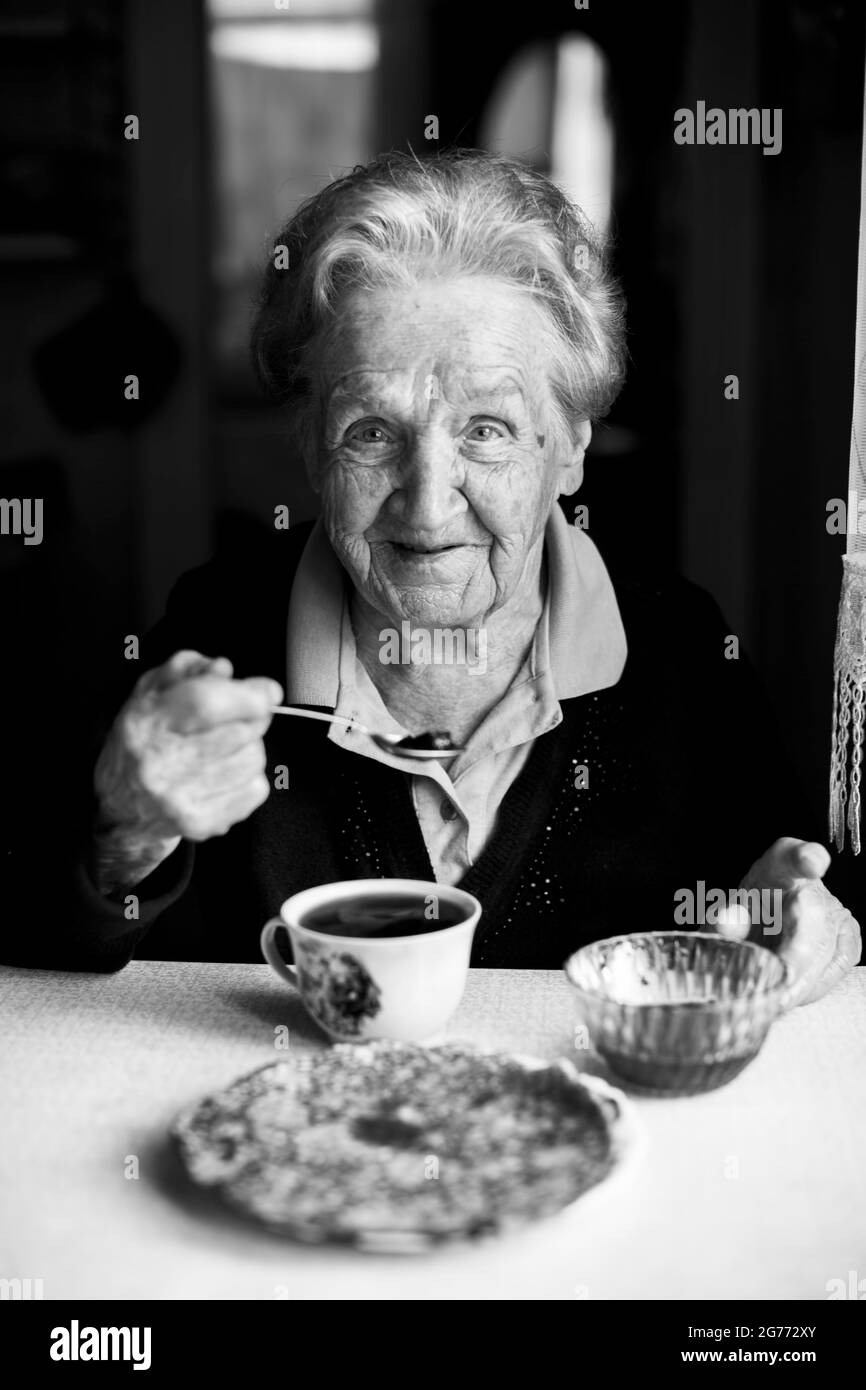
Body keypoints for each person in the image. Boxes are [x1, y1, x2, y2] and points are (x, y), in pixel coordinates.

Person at [16, 150, 860, 998]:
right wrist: (124, 838)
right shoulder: (220, 636)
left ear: (568, 448)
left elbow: (794, 903)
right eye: (372, 433)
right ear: (312, 444)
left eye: (486, 429)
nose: (426, 508)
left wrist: (813, 926)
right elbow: (40, 949)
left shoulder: (679, 651)